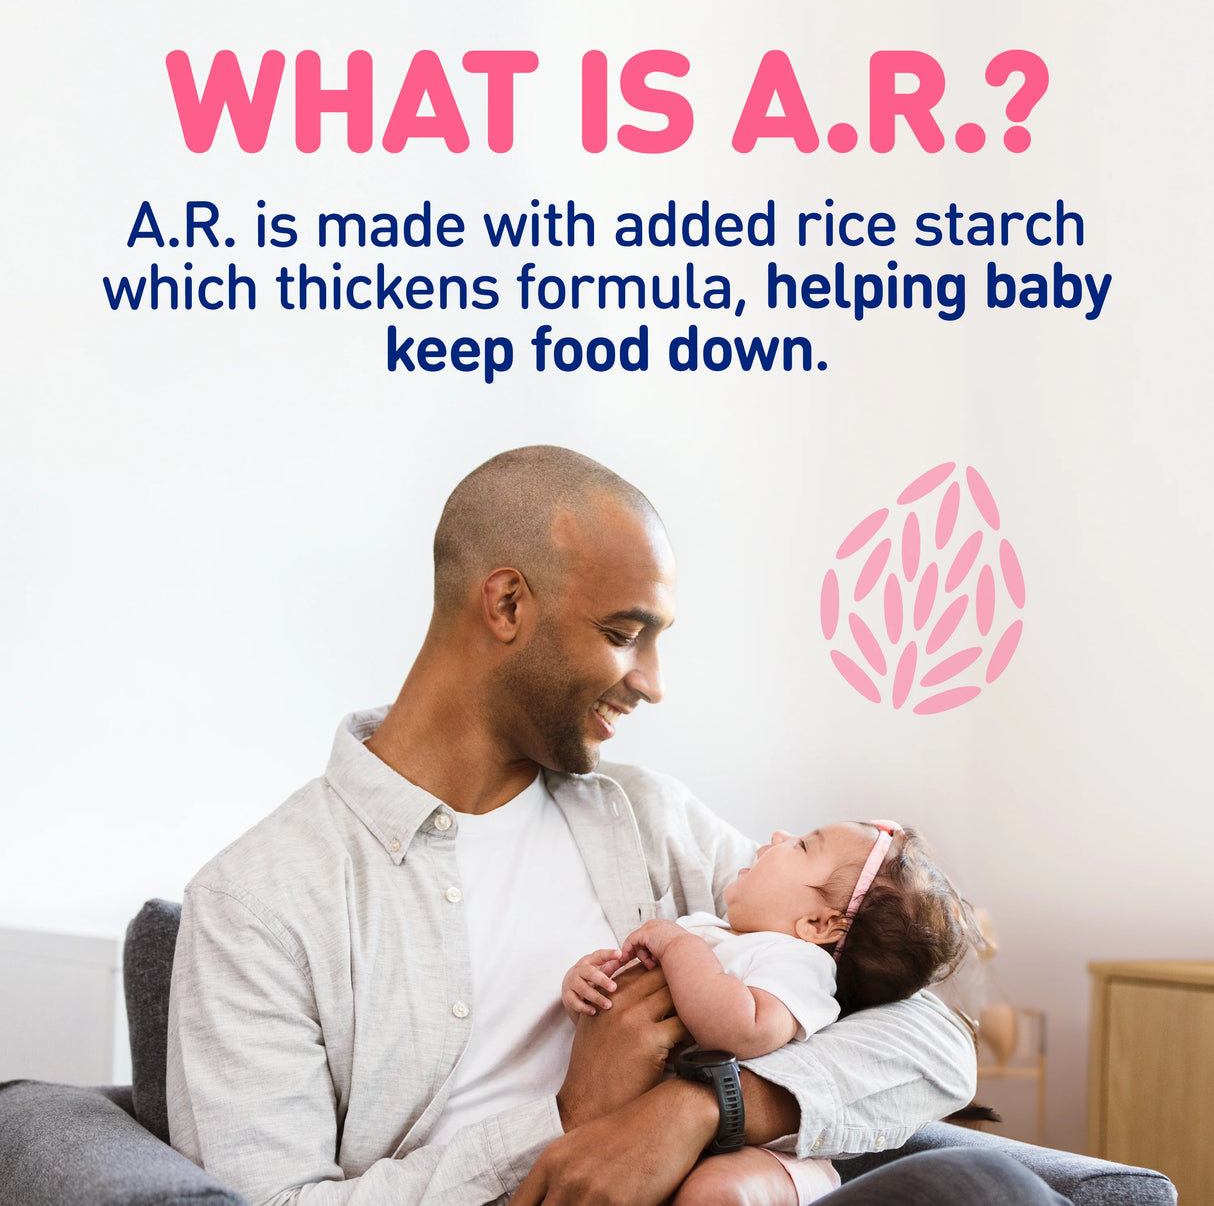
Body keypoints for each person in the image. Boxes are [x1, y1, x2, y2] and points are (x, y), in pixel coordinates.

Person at [166, 445, 1066, 1206]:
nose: (652, 682)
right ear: (507, 604)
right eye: (626, 631)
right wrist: (565, 1123)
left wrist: (698, 1106)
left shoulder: (645, 820)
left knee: (985, 1188)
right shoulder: (259, 904)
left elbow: (935, 1043)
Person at [563, 820, 976, 1206]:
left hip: (761, 1155)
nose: (778, 835)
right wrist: (589, 988)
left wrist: (677, 947)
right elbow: (620, 1033)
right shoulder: (710, 931)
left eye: (801, 845)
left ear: (817, 924)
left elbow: (742, 1030)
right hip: (656, 1144)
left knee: (719, 1191)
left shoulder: (797, 962)